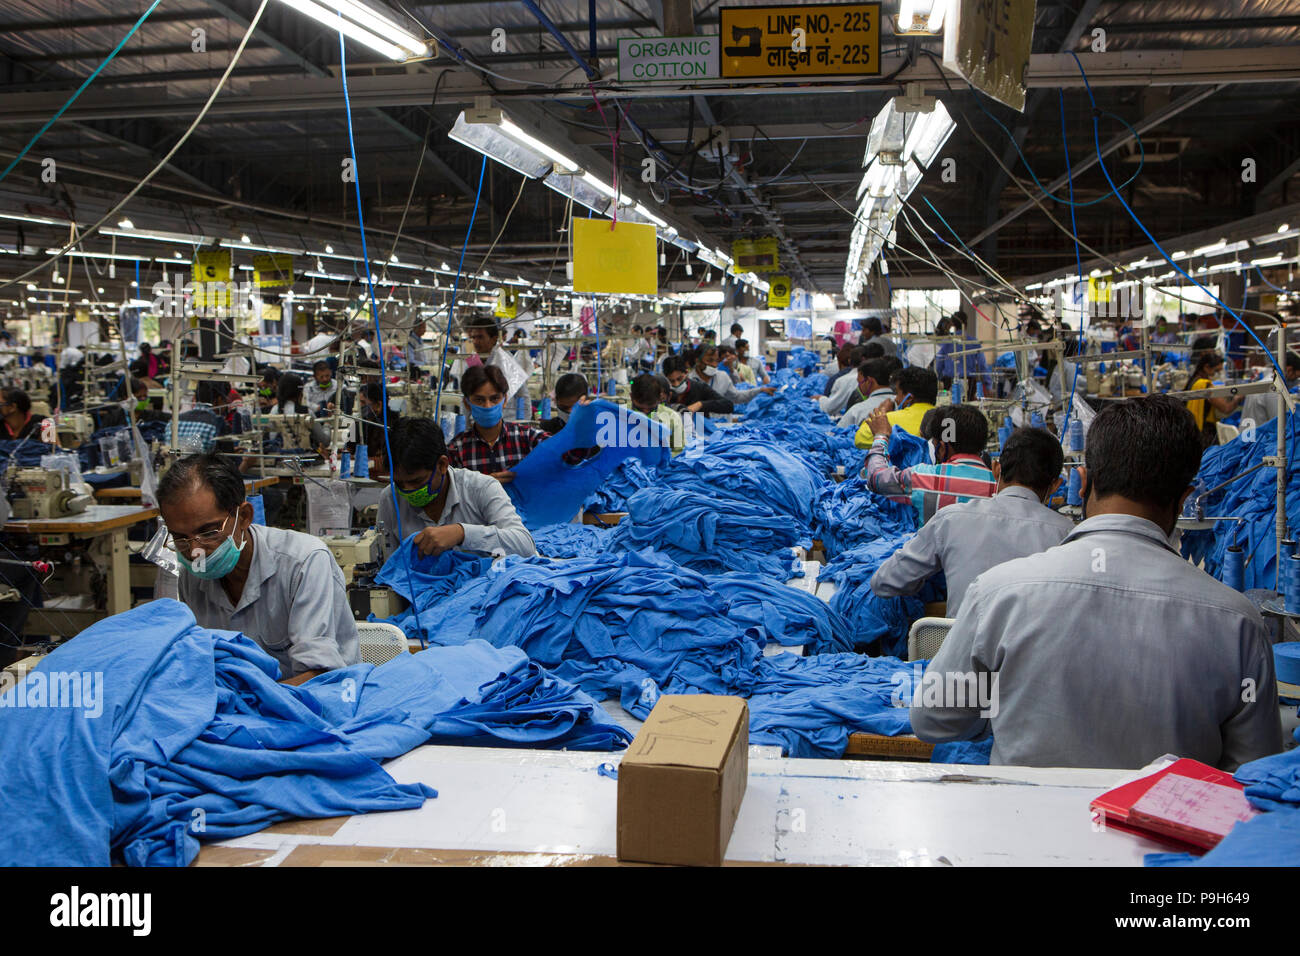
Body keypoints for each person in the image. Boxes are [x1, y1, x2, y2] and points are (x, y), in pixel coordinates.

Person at [911, 396, 1283, 770]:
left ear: (1083, 482)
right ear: (1185, 499)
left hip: (1021, 821)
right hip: (1157, 828)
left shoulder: (998, 592)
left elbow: (934, 721)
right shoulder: (1239, 623)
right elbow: (1254, 774)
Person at [158, 453, 359, 684]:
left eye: (209, 532)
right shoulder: (194, 573)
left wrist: (246, 702)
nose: (195, 551)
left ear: (243, 517)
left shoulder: (305, 563)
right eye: (180, 537)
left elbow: (320, 676)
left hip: (317, 704)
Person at [870, 427, 1072, 616]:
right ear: (1056, 485)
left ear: (995, 469)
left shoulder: (950, 519)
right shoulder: (1068, 536)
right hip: (1033, 652)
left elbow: (884, 582)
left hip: (963, 650)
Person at [377, 417, 536, 560]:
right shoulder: (390, 499)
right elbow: (388, 564)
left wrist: (462, 533)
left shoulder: (481, 488)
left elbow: (525, 545)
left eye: (417, 481)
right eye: (399, 483)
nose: (407, 490)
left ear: (442, 465)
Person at [861, 403, 996, 526]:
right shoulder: (998, 486)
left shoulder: (926, 478)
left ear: (942, 448)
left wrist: (880, 437)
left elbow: (876, 478)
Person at [448, 364, 548, 481]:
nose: (488, 406)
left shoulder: (527, 438)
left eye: (494, 399)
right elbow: (451, 493)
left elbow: (565, 454)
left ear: (504, 400)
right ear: (467, 404)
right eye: (479, 400)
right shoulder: (456, 450)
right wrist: (483, 486)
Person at [855, 366, 939, 444]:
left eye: (898, 393)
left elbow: (860, 439)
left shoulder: (890, 420)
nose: (895, 399)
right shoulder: (944, 417)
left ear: (909, 398)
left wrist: (881, 413)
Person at [1186, 348, 1243, 446]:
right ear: (1206, 367)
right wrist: (1238, 398)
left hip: (1193, 430)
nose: (1218, 374)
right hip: (1205, 435)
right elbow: (1226, 408)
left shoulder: (1193, 380)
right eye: (1216, 371)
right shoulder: (1204, 385)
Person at [838, 357, 901, 430]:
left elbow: (837, 435)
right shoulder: (903, 403)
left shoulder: (857, 411)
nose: (859, 387)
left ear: (869, 381)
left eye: (860, 382)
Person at [1240, 350, 1300, 427]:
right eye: (1296, 377)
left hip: (1249, 435)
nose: (1296, 381)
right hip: (1260, 437)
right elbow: (1281, 424)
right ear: (1289, 370)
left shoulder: (1264, 382)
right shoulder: (1274, 389)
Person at [630, 372, 684, 455]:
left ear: (660, 397)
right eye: (639, 409)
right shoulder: (617, 417)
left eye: (651, 408)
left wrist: (663, 459)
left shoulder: (672, 418)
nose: (645, 412)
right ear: (631, 396)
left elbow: (679, 451)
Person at [662, 354, 733, 416]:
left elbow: (728, 405)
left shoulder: (700, 388)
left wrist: (700, 405)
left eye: (679, 378)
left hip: (699, 428)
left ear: (686, 372)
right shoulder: (663, 391)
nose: (676, 384)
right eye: (672, 381)